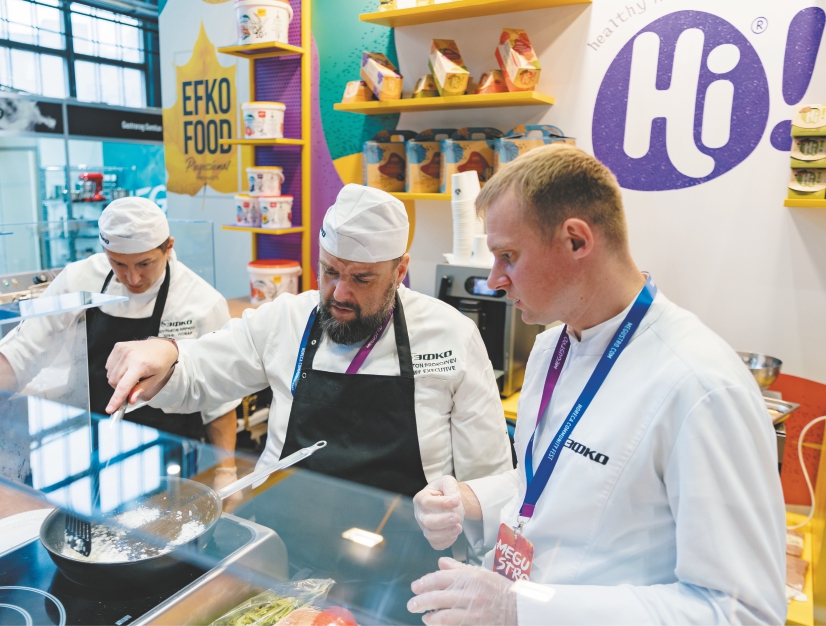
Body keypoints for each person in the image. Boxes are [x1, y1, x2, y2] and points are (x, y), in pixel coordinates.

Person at [408, 145, 786, 624]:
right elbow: (561, 484)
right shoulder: (552, 347)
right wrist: (473, 500)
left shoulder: (700, 386)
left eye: (508, 256)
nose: (494, 279)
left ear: (576, 241)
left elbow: (742, 611)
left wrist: (520, 608)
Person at [102, 184, 513, 498]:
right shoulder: (286, 319)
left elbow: (488, 476)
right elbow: (199, 374)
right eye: (330, 272)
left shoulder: (451, 335)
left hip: (405, 547)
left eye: (362, 279)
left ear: (400, 271)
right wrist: (167, 353)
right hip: (285, 530)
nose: (340, 293)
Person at [0, 198, 241, 487]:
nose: (132, 278)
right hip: (93, 441)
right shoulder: (79, 277)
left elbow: (219, 401)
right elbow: (23, 349)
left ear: (168, 247)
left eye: (144, 263)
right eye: (118, 263)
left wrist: (226, 472)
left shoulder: (200, 301)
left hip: (170, 449)